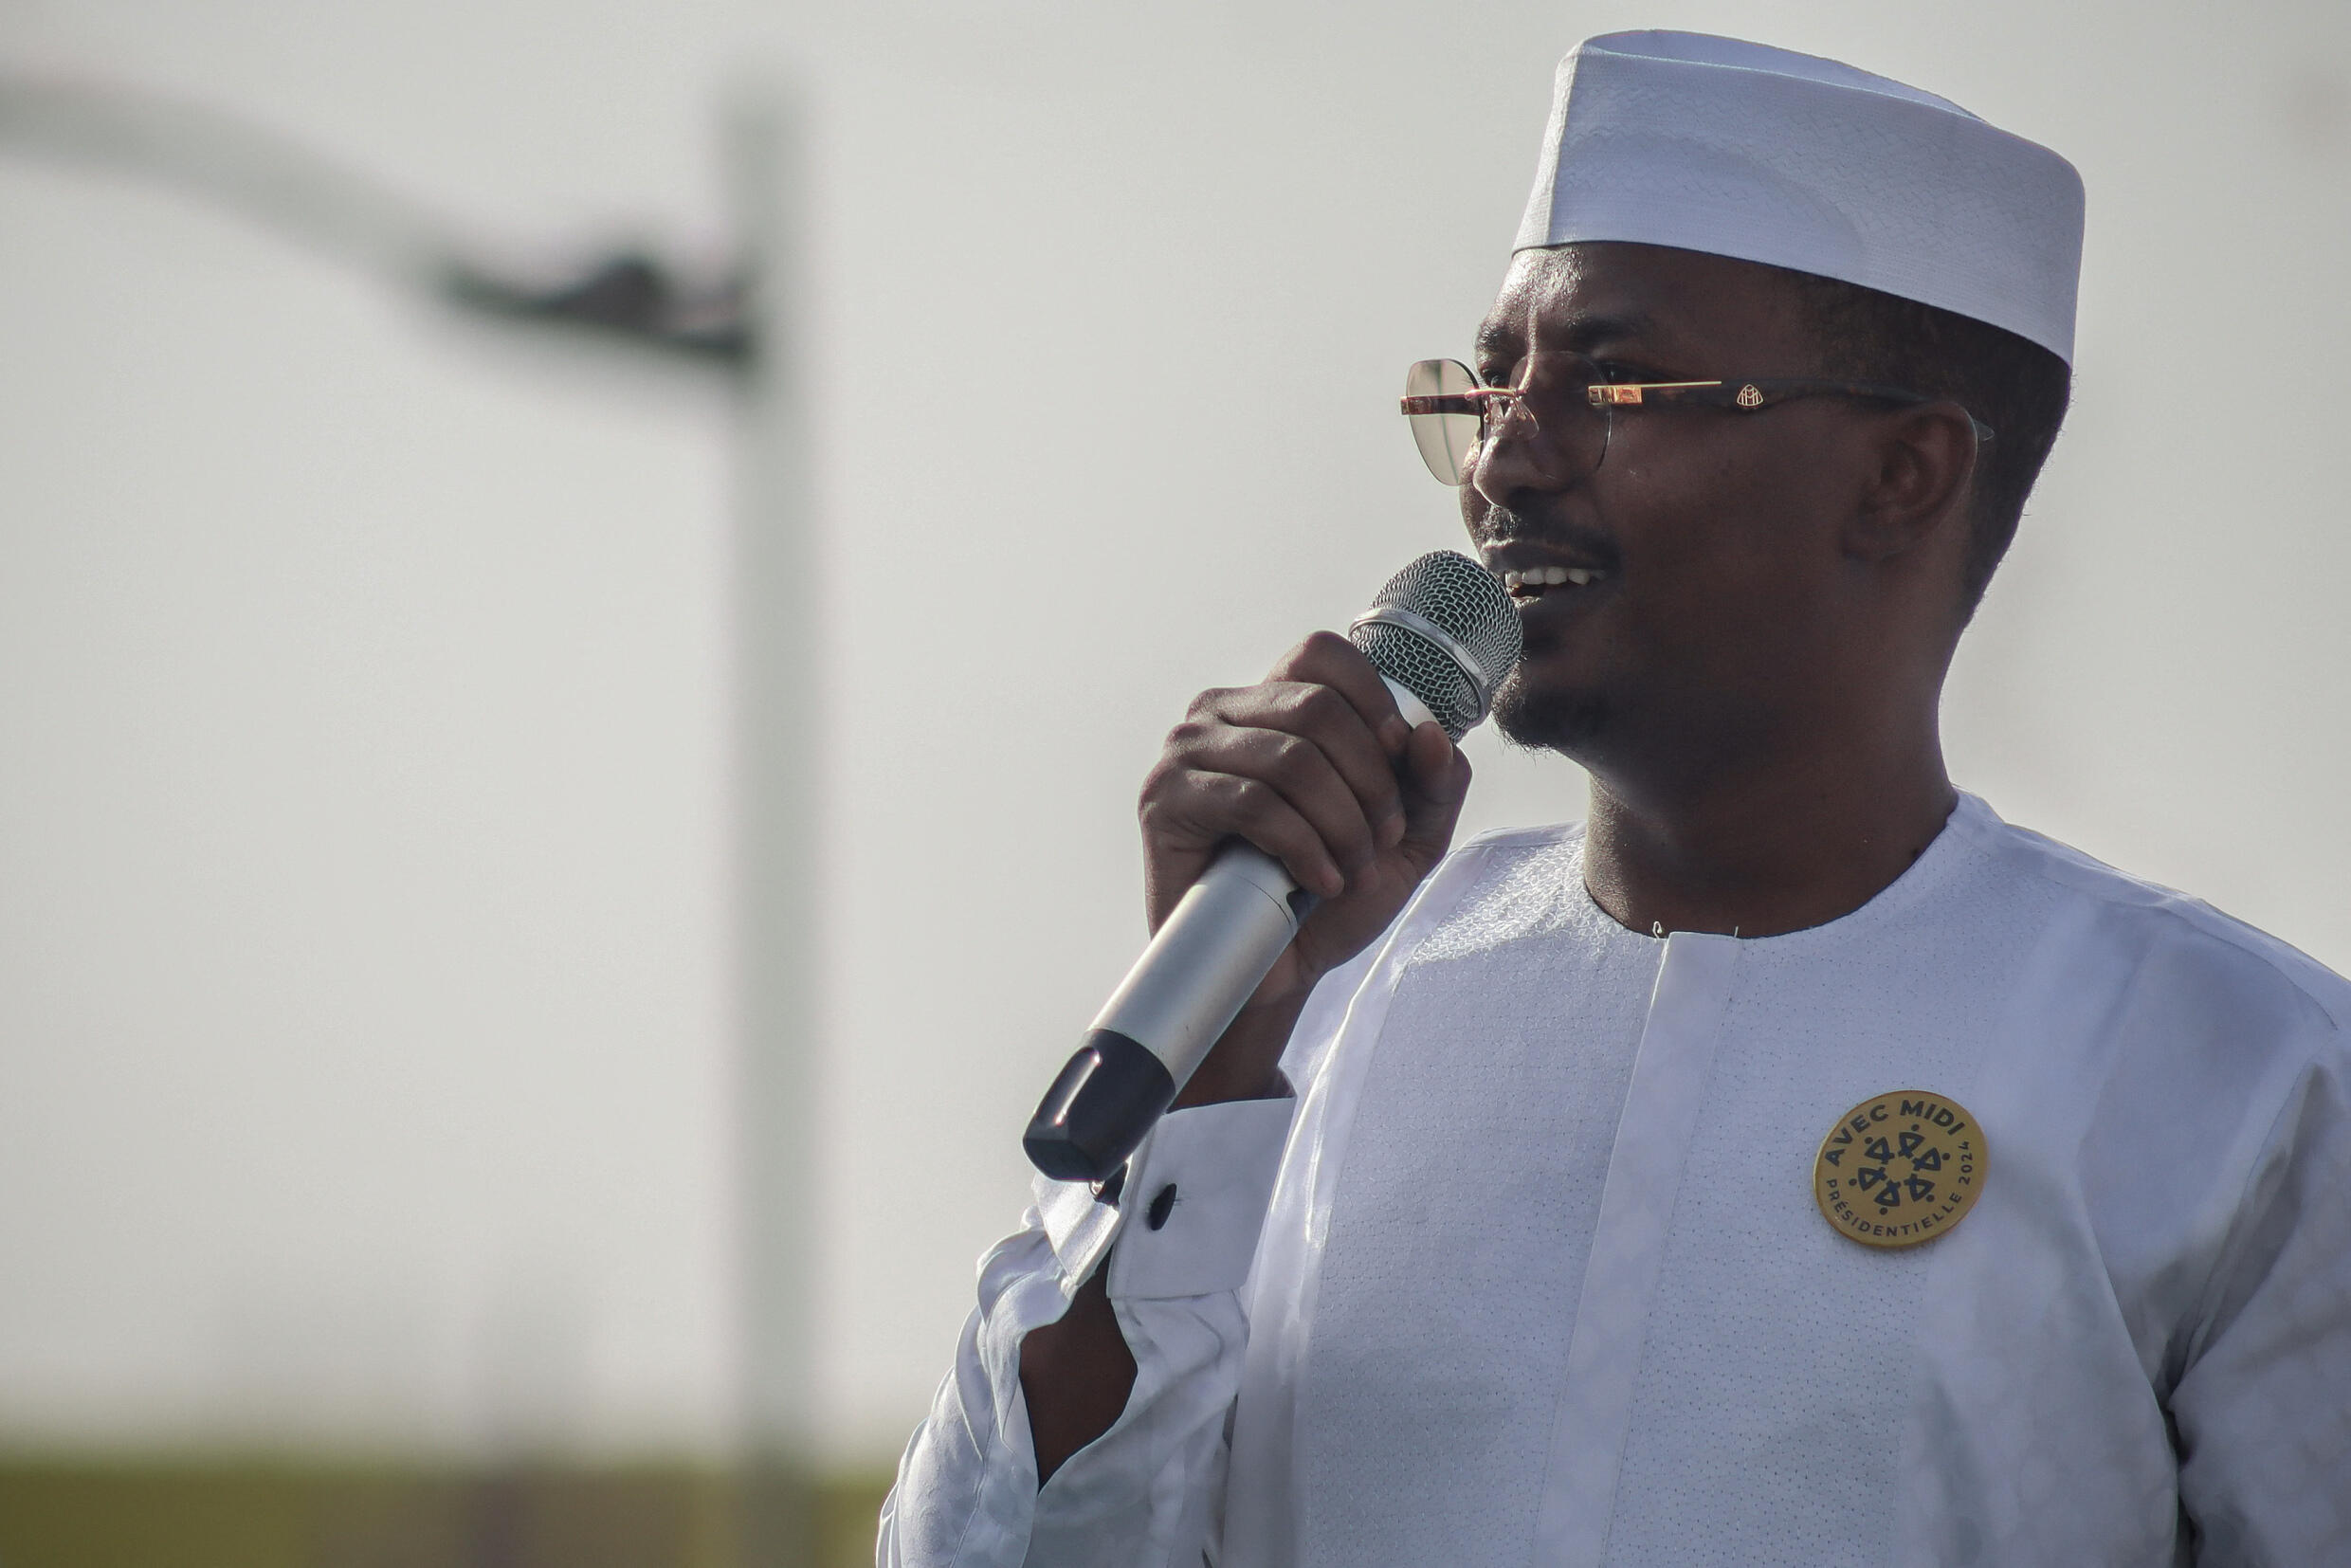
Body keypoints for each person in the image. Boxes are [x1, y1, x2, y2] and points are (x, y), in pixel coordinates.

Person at [879, 31, 2351, 1568]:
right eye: (1495, 379)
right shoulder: (1310, 1009)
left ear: (1901, 476)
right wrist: (1211, 1077)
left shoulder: (2236, 1080)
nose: (1507, 460)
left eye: (1612, 380)